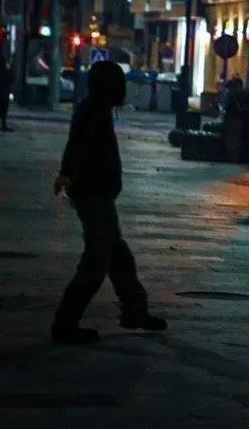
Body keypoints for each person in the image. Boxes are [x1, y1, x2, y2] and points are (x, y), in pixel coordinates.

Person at [51, 60, 166, 345]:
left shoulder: (97, 109)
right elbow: (77, 143)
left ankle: (135, 310)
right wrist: (67, 174)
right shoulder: (93, 110)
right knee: (98, 259)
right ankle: (66, 322)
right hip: (93, 194)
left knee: (118, 256)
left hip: (98, 193)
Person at [0, 56, 13, 132]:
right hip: (4, 92)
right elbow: (11, 78)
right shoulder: (5, 70)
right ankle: (3, 125)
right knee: (3, 110)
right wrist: (9, 69)